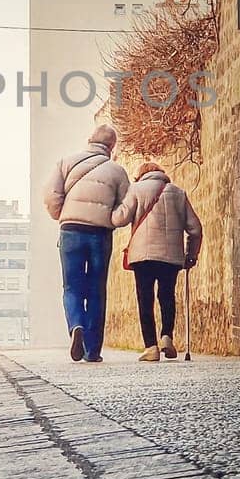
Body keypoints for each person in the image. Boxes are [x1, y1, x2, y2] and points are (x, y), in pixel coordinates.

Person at [43, 124, 134, 363]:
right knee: (96, 290)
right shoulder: (117, 171)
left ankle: (76, 326)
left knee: (72, 287)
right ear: (112, 147)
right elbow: (127, 206)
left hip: (70, 231)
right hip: (99, 234)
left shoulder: (66, 163)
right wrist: (110, 219)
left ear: (89, 140)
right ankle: (92, 350)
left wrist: (62, 214)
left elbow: (51, 195)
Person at [124, 162, 202, 362]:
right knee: (167, 296)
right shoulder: (178, 193)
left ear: (141, 175)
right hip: (171, 257)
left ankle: (151, 347)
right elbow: (195, 229)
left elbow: (119, 218)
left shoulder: (136, 190)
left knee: (145, 299)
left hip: (143, 257)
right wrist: (191, 254)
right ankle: (167, 336)